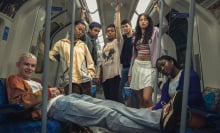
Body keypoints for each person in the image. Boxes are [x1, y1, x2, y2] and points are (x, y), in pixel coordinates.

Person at [7, 52, 184, 133]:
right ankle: (159, 126)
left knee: (113, 105)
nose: (30, 68)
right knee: (107, 115)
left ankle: (159, 117)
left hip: (65, 98)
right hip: (55, 107)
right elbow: (19, 102)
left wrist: (55, 90)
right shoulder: (14, 80)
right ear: (18, 65)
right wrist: (47, 93)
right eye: (26, 65)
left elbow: (47, 92)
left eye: (32, 65)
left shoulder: (36, 81)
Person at [128, 2, 168, 108]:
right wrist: (130, 73)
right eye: (141, 20)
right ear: (138, 23)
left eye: (145, 19)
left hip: (150, 66)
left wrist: (158, 8)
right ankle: (144, 119)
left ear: (149, 21)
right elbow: (133, 56)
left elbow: (165, 25)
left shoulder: (155, 31)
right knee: (140, 98)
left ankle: (151, 119)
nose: (143, 21)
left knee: (147, 98)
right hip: (137, 66)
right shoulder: (135, 36)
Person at [153, 55, 206, 129]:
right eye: (160, 69)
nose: (162, 69)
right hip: (171, 112)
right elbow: (163, 101)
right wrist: (152, 109)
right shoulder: (166, 85)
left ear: (171, 62)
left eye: (163, 64)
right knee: (150, 115)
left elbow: (196, 96)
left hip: (191, 111)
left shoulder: (189, 75)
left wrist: (174, 104)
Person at [49, 20, 95, 96]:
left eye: (83, 31)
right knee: (74, 104)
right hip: (70, 80)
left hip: (85, 80)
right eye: (79, 29)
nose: (80, 32)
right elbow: (51, 55)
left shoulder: (83, 45)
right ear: (73, 27)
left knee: (85, 104)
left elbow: (90, 62)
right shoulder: (61, 43)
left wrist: (90, 74)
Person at [96, 3, 123, 101]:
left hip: (114, 75)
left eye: (112, 30)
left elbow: (118, 28)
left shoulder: (118, 42)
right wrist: (98, 75)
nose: (110, 32)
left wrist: (117, 12)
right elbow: (101, 62)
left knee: (114, 99)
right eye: (108, 31)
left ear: (115, 32)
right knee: (107, 99)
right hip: (105, 77)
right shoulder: (105, 46)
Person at [117, 19, 135, 105]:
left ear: (131, 26)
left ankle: (134, 106)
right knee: (120, 88)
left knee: (134, 88)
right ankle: (123, 105)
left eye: (126, 26)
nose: (125, 28)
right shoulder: (122, 38)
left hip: (134, 66)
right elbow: (117, 28)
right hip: (124, 66)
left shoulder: (136, 37)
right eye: (123, 27)